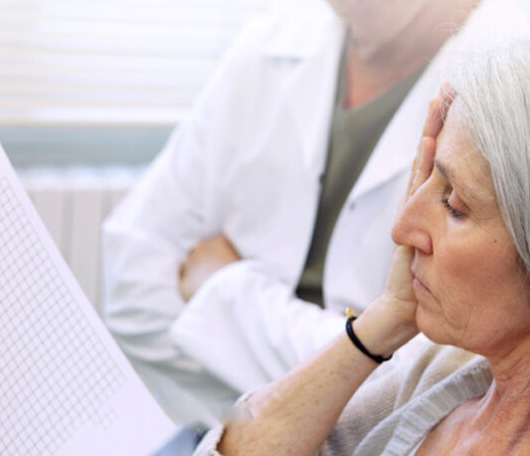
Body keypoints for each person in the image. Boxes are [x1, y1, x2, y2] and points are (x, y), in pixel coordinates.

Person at [101, 0, 527, 423]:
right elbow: (130, 289)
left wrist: (224, 293)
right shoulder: (263, 50)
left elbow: (460, 385)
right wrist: (346, 368)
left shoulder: (515, 86)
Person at [195, 40, 530, 455]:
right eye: (426, 180)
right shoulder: (443, 373)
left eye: (454, 204)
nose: (403, 229)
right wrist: (384, 319)